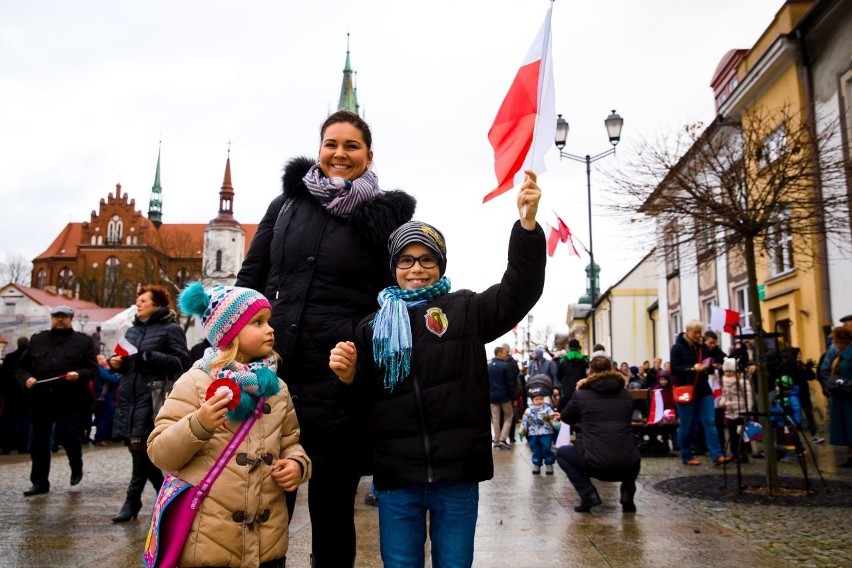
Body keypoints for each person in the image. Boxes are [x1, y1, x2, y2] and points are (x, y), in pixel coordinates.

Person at [328, 172, 545, 567]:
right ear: (393, 267)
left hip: (457, 472)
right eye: (406, 260)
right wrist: (347, 378)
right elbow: (361, 403)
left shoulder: (464, 309)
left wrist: (527, 227)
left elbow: (519, 291)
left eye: (427, 259)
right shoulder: (371, 326)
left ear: (440, 265)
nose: (417, 269)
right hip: (396, 477)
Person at [235, 109, 416, 566]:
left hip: (338, 385)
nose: (340, 153)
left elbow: (394, 300)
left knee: (333, 508)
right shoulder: (286, 206)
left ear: (368, 156)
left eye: (351, 146)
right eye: (331, 144)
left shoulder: (383, 219)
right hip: (272, 381)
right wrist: (229, 338)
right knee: (265, 500)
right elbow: (251, 278)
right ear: (319, 149)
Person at [148, 282, 311, 568]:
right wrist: (199, 424)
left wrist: (297, 465)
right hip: (209, 543)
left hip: (267, 544)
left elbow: (291, 442)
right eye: (257, 323)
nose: (270, 329)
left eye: (269, 321)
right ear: (229, 332)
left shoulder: (277, 388)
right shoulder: (195, 382)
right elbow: (160, 452)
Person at [110, 285, 191, 522]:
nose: (139, 303)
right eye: (138, 299)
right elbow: (127, 361)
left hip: (153, 397)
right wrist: (118, 363)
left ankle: (132, 500)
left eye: (144, 300)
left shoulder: (171, 329)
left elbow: (181, 361)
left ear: (157, 305)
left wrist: (150, 357)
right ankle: (164, 497)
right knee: (141, 450)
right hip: (129, 397)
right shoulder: (132, 331)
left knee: (141, 449)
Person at [14, 305, 98, 496]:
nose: (60, 320)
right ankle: (40, 482)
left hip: (70, 399)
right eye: (56, 316)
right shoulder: (37, 339)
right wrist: (26, 379)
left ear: (71, 319)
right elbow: (20, 368)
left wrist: (79, 374)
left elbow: (93, 369)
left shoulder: (82, 342)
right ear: (51, 318)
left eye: (64, 317)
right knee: (38, 442)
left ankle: (76, 463)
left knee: (68, 435)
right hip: (41, 400)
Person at [556, 354, 641, 513]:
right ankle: (628, 494)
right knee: (632, 451)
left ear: (590, 372)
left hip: (595, 463)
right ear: (611, 370)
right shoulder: (626, 396)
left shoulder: (582, 395)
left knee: (562, 453)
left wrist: (580, 390)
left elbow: (566, 417)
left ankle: (589, 494)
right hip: (627, 464)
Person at [670, 319, 729, 466]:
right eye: (695, 332)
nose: (698, 335)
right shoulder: (677, 348)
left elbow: (713, 360)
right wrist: (691, 368)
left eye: (699, 332)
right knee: (687, 423)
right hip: (685, 390)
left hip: (703, 389)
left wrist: (709, 367)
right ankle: (686, 455)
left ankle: (717, 455)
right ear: (688, 331)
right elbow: (674, 369)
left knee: (710, 421)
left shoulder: (703, 347)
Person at [822, 325, 852, 468]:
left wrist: (844, 383)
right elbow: (826, 370)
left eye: (834, 339)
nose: (832, 341)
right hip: (842, 395)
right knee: (846, 426)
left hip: (849, 396)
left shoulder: (849, 354)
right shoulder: (839, 353)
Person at [0, 336, 30, 455]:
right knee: (25, 422)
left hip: (10, 395)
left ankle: (6, 447)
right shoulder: (30, 358)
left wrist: (3, 393)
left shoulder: (9, 357)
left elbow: (3, 377)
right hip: (26, 395)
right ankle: (22, 447)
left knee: (9, 421)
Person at [520, 386, 559, 474]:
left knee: (547, 448)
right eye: (536, 399)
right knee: (535, 449)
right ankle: (536, 463)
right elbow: (524, 422)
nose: (539, 401)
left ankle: (549, 463)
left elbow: (553, 418)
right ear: (532, 400)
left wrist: (557, 425)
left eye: (541, 399)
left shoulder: (547, 409)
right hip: (533, 434)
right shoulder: (528, 411)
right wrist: (522, 431)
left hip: (546, 432)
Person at [720, 357, 752, 463]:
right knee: (732, 434)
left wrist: (748, 410)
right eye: (726, 371)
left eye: (730, 371)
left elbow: (748, 396)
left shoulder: (742, 381)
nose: (728, 374)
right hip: (730, 412)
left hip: (740, 411)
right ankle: (734, 453)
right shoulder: (724, 381)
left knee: (740, 434)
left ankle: (742, 454)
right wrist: (723, 402)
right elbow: (724, 394)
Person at [488, 345, 516, 449]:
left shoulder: (489, 366)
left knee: (495, 418)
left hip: (492, 396)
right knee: (508, 417)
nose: (506, 354)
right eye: (504, 352)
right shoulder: (505, 366)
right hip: (505, 396)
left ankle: (496, 440)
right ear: (499, 353)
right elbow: (510, 383)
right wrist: (513, 397)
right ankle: (503, 438)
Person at [92, 353, 120, 445]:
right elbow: (113, 380)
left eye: (104, 358)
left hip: (106, 396)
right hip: (104, 397)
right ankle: (100, 438)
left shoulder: (105, 369)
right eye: (101, 359)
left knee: (103, 418)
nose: (103, 360)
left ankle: (101, 437)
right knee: (105, 418)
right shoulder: (99, 369)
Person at [557, 338, 587, 405]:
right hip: (582, 388)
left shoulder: (562, 360)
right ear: (579, 347)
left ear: (569, 348)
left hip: (566, 389)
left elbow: (558, 376)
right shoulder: (585, 360)